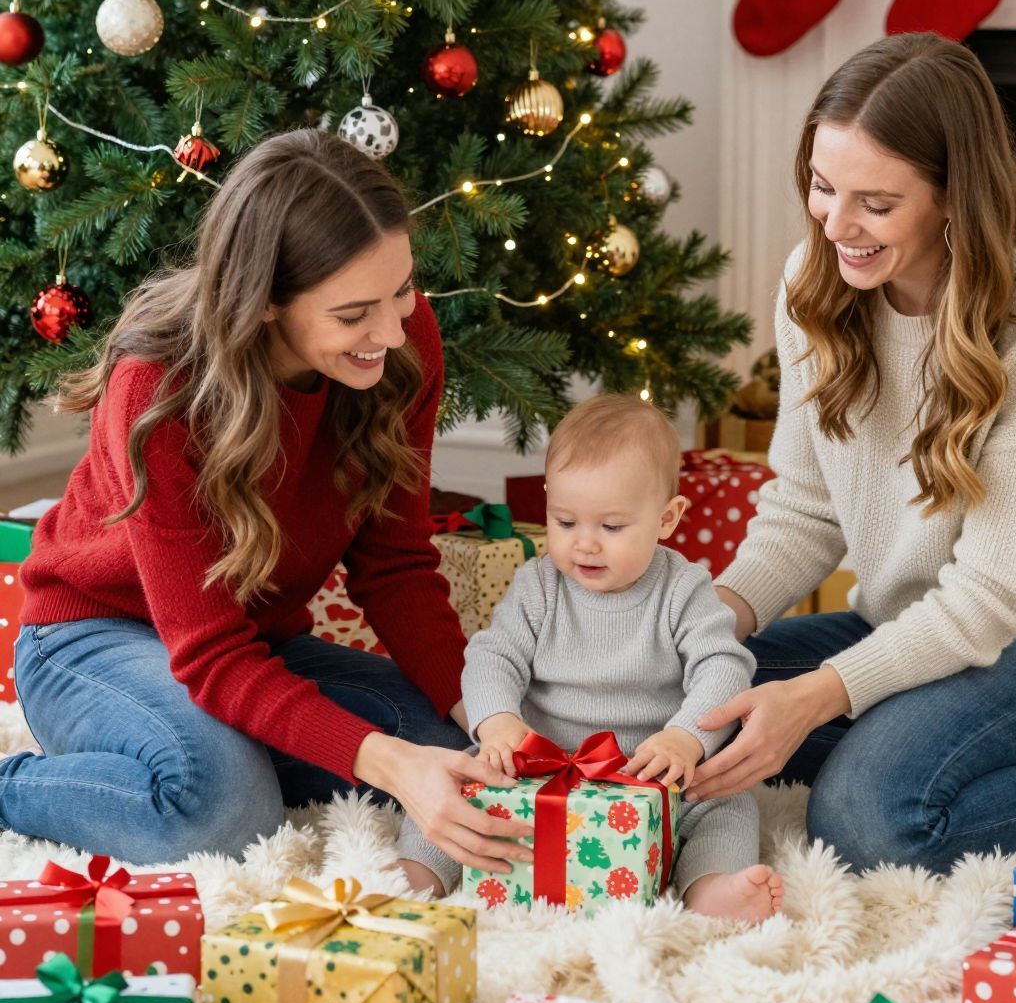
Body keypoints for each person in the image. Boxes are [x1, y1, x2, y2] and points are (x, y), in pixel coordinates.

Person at [0, 128, 532, 877]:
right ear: (267, 303)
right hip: (91, 640)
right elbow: (208, 653)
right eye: (353, 315)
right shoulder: (160, 388)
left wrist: (483, 712)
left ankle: (222, 748)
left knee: (459, 754)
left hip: (249, 646)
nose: (390, 330)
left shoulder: (404, 342)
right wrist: (382, 762)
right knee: (223, 810)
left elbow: (398, 568)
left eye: (403, 290)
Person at [688, 32, 1016, 874]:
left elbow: (985, 601)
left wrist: (820, 696)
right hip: (905, 625)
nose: (837, 224)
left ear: (952, 199)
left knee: (866, 819)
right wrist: (698, 629)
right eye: (823, 188)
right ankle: (908, 739)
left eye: (876, 203)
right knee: (687, 693)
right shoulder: (814, 281)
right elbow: (803, 511)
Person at [395, 394, 784, 920]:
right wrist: (498, 722)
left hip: (651, 774)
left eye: (612, 527)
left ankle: (712, 889)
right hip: (539, 765)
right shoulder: (539, 586)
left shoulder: (684, 589)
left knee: (724, 806)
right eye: (566, 521)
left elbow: (724, 667)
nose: (585, 545)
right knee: (454, 786)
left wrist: (686, 736)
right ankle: (418, 874)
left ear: (666, 519)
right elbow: (493, 657)